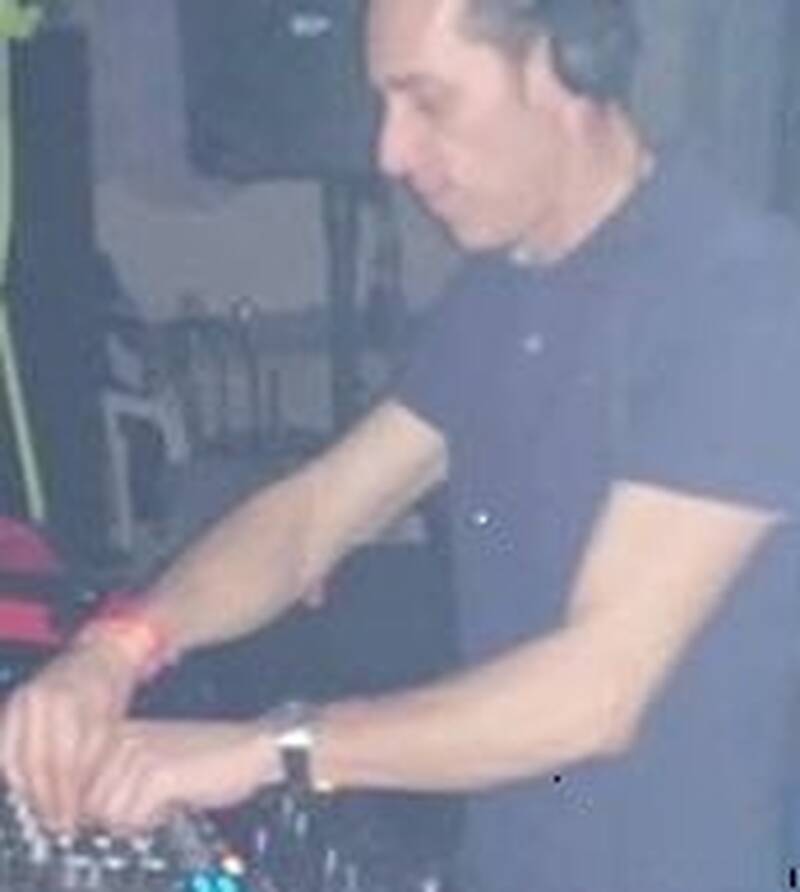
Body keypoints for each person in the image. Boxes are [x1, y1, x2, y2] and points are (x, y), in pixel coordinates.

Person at [4, 0, 800, 888]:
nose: (391, 151)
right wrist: (115, 651)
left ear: (561, 65)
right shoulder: (504, 291)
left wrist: (271, 748)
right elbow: (311, 517)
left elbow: (596, 691)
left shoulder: (740, 300)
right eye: (386, 106)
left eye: (429, 102)